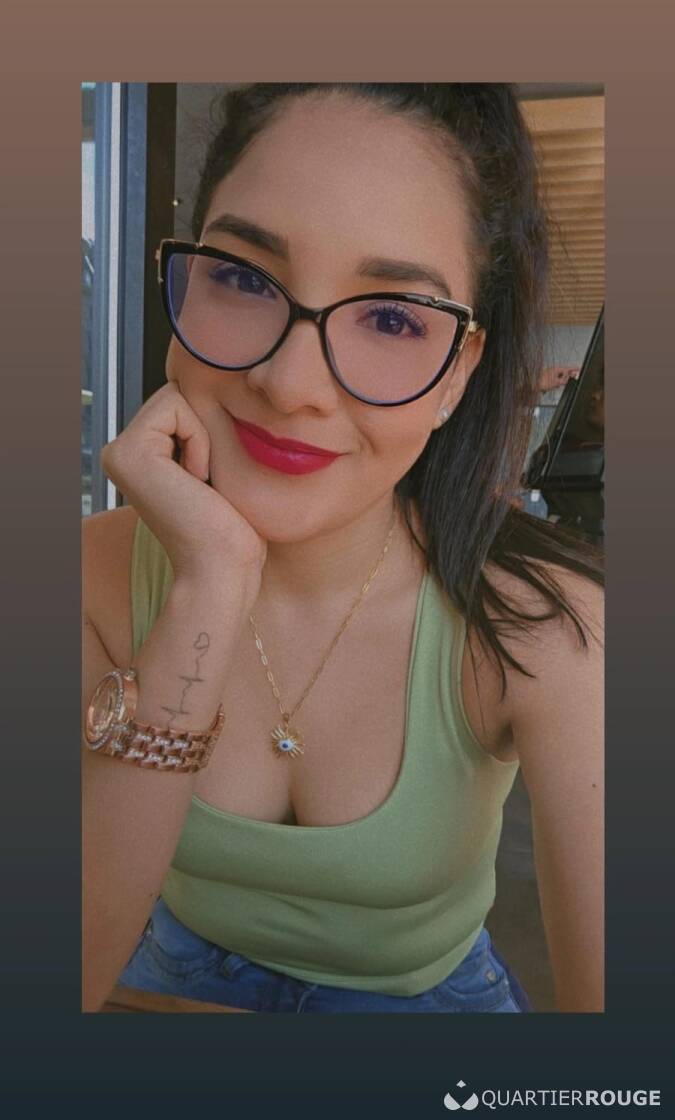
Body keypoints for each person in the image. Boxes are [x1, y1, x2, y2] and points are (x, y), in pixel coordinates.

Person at [82, 83, 604, 1014]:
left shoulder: (550, 625)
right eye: (244, 278)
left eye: (392, 318)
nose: (290, 383)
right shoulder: (89, 576)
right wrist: (208, 585)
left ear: (457, 375)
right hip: (161, 978)